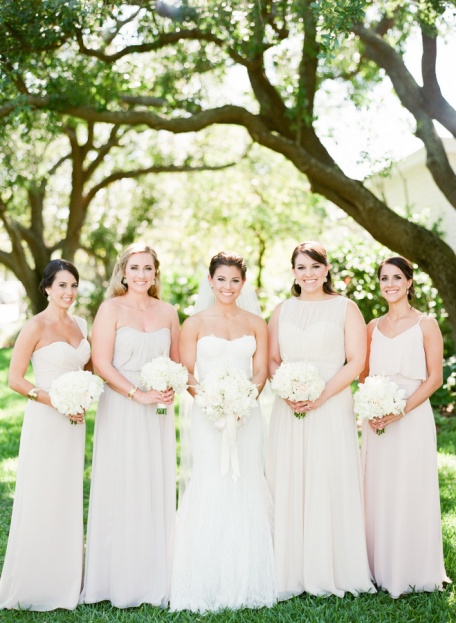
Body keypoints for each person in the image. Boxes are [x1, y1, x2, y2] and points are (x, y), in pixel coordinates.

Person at [170, 251, 277, 613]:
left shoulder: (256, 323)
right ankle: (206, 577)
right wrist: (214, 404)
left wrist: (245, 401)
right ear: (210, 281)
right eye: (221, 279)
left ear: (243, 284)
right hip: (207, 415)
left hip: (247, 415)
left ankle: (248, 576)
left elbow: (260, 370)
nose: (228, 286)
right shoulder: (194, 323)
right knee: (212, 481)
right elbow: (186, 372)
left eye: (235, 280)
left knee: (246, 480)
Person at [267, 241, 374, 599]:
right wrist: (287, 393)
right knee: (291, 478)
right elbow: (271, 359)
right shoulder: (282, 310)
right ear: (293, 272)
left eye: (315, 267)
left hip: (330, 403)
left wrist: (320, 394)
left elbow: (356, 362)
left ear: (326, 270)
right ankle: (290, 568)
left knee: (328, 477)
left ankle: (331, 566)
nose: (308, 274)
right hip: (289, 406)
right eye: (301, 267)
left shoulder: (346, 308)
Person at [80, 242, 179, 608]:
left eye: (147, 269)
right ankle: (116, 577)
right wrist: (138, 394)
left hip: (158, 410)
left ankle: (154, 574)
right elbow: (102, 363)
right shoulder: (110, 309)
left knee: (153, 481)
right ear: (123, 272)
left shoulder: (169, 312)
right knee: (124, 482)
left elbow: (178, 361)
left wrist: (168, 386)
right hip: (123, 405)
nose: (141, 275)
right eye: (134, 268)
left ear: (156, 274)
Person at [0, 259, 89, 611]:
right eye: (62, 286)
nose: (68, 292)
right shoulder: (34, 326)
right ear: (47, 289)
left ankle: (65, 578)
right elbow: (15, 379)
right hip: (47, 420)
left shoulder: (81, 324)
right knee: (42, 493)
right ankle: (34, 582)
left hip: (74, 424)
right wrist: (57, 401)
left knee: (67, 495)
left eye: (73, 286)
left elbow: (91, 368)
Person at [360, 256, 450, 597]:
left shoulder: (425, 324)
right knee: (378, 489)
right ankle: (377, 567)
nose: (390, 284)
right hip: (377, 417)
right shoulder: (372, 327)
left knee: (410, 487)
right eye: (384, 278)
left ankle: (414, 569)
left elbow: (435, 378)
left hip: (411, 416)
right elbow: (364, 375)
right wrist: (374, 405)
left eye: (397, 277)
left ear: (410, 282)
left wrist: (400, 410)